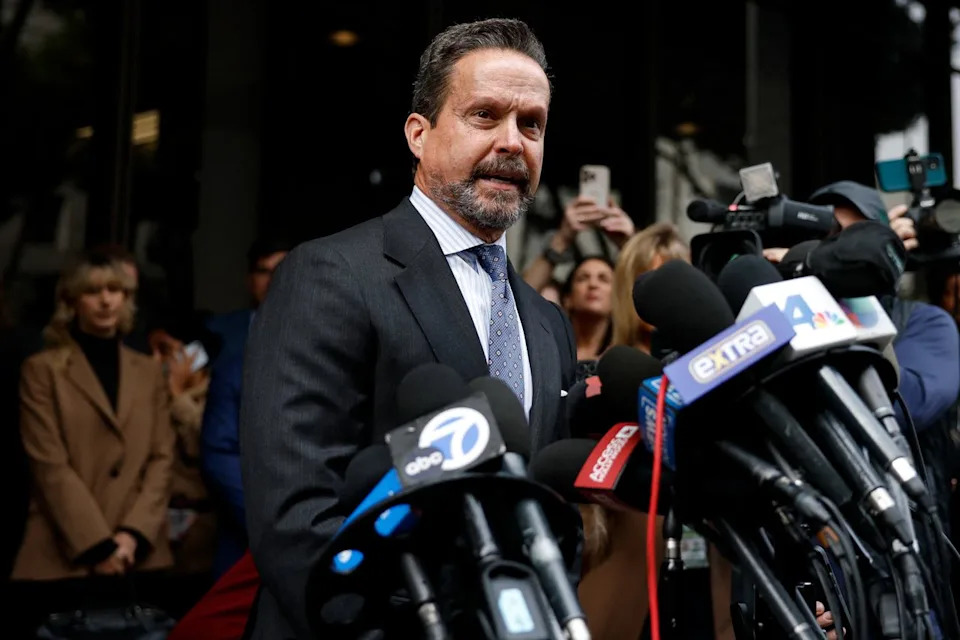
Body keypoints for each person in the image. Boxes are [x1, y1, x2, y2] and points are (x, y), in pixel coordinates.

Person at [239, 18, 576, 640]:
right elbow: (296, 519)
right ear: (418, 134)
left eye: (531, 124)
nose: (512, 142)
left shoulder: (547, 321)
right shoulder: (331, 275)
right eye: (485, 115)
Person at [9, 249, 175, 636]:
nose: (105, 301)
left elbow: (162, 459)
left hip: (140, 555)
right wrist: (99, 545)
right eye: (93, 291)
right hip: (64, 554)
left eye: (115, 290)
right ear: (71, 301)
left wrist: (132, 535)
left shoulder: (148, 372)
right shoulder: (42, 371)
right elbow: (48, 463)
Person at [201, 238, 289, 578]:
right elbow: (219, 451)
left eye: (281, 271)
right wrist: (269, 519)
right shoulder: (227, 348)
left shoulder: (341, 339)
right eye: (263, 272)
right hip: (248, 531)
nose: (272, 281)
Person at [523, 192, 636, 293]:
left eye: (604, 279)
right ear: (567, 299)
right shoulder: (555, 315)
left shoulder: (630, 312)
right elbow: (520, 299)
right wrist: (562, 239)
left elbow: (650, 293)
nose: (593, 285)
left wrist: (629, 244)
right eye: (583, 278)